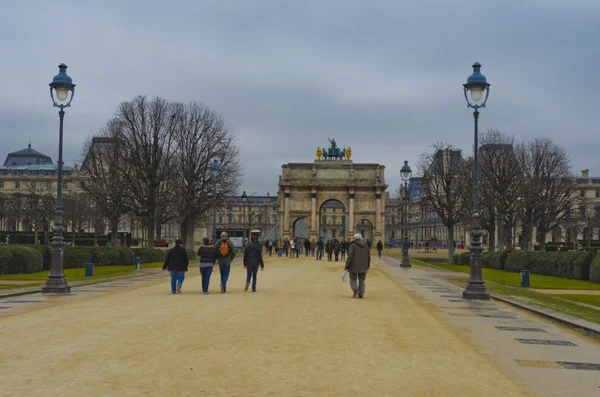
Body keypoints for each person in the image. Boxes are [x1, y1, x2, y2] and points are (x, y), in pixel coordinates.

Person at [345, 233, 371, 299]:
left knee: (352, 278)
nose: (352, 238)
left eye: (353, 237)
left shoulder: (353, 245)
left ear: (356, 238)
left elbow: (350, 256)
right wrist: (368, 265)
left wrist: (347, 265)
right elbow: (369, 256)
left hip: (353, 265)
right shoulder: (366, 245)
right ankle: (361, 294)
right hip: (363, 265)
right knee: (362, 280)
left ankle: (356, 290)